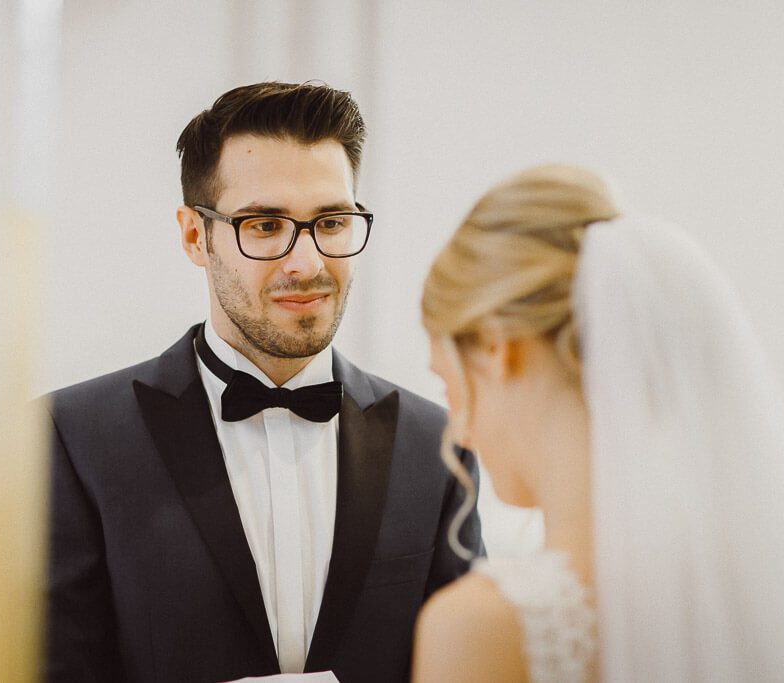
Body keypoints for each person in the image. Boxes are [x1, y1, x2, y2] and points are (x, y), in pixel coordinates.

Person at [43, 81, 483, 683]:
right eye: (265, 225)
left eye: (331, 221)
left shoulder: (438, 445)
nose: (306, 263)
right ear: (196, 236)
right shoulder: (72, 437)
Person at [411, 165, 784, 682]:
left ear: (498, 348)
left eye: (448, 385)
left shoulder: (482, 629)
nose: (459, 433)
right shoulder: (772, 597)